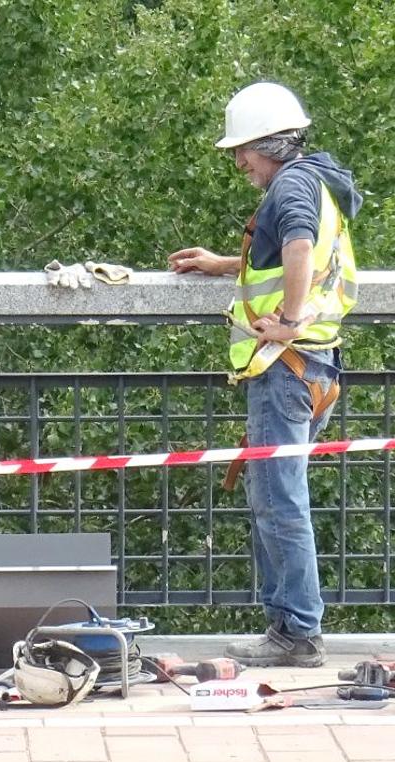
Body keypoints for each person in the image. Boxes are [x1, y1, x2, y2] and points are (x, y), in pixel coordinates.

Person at [168, 82, 362, 667]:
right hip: (314, 365)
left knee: (280, 503)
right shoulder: (320, 180)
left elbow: (299, 246)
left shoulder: (292, 185)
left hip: (286, 367)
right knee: (277, 499)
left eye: (243, 150)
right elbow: (288, 252)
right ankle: (289, 626)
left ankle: (297, 633)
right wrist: (224, 264)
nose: (238, 162)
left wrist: (288, 321)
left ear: (269, 143)